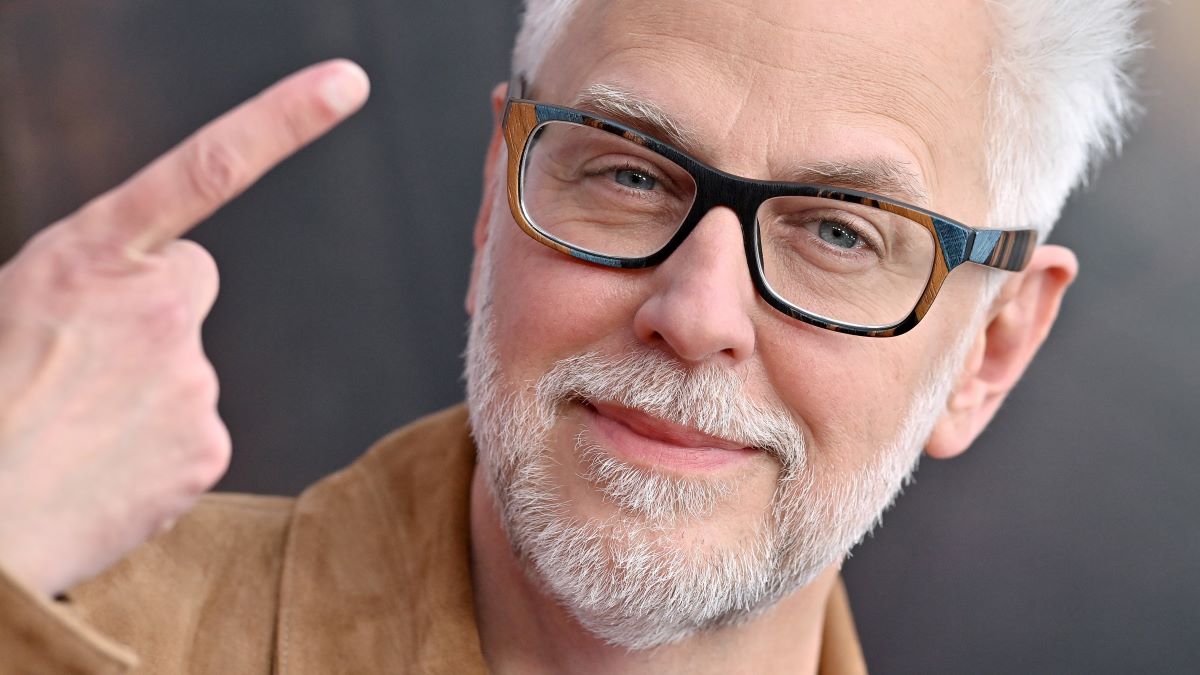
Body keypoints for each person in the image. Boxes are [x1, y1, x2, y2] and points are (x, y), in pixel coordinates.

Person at [0, 0, 1143, 672]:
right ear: (495, 202)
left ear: (990, 352)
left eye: (840, 234)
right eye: (630, 173)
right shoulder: (63, 616)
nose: (694, 316)